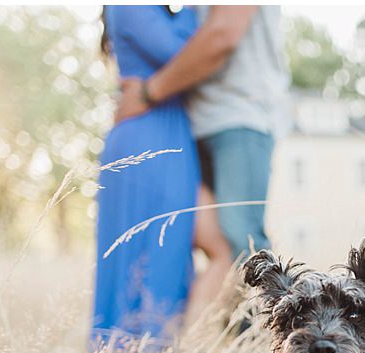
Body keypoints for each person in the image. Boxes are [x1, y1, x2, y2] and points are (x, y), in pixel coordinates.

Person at [114, 5, 290, 321]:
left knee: (243, 245)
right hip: (190, 123)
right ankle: (190, 351)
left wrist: (149, 92)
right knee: (195, 244)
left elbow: (222, 35)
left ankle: (257, 351)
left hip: (239, 116)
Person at [93, 5, 211, 353]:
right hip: (147, 138)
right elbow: (185, 52)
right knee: (146, 253)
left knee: (172, 251)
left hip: (172, 135)